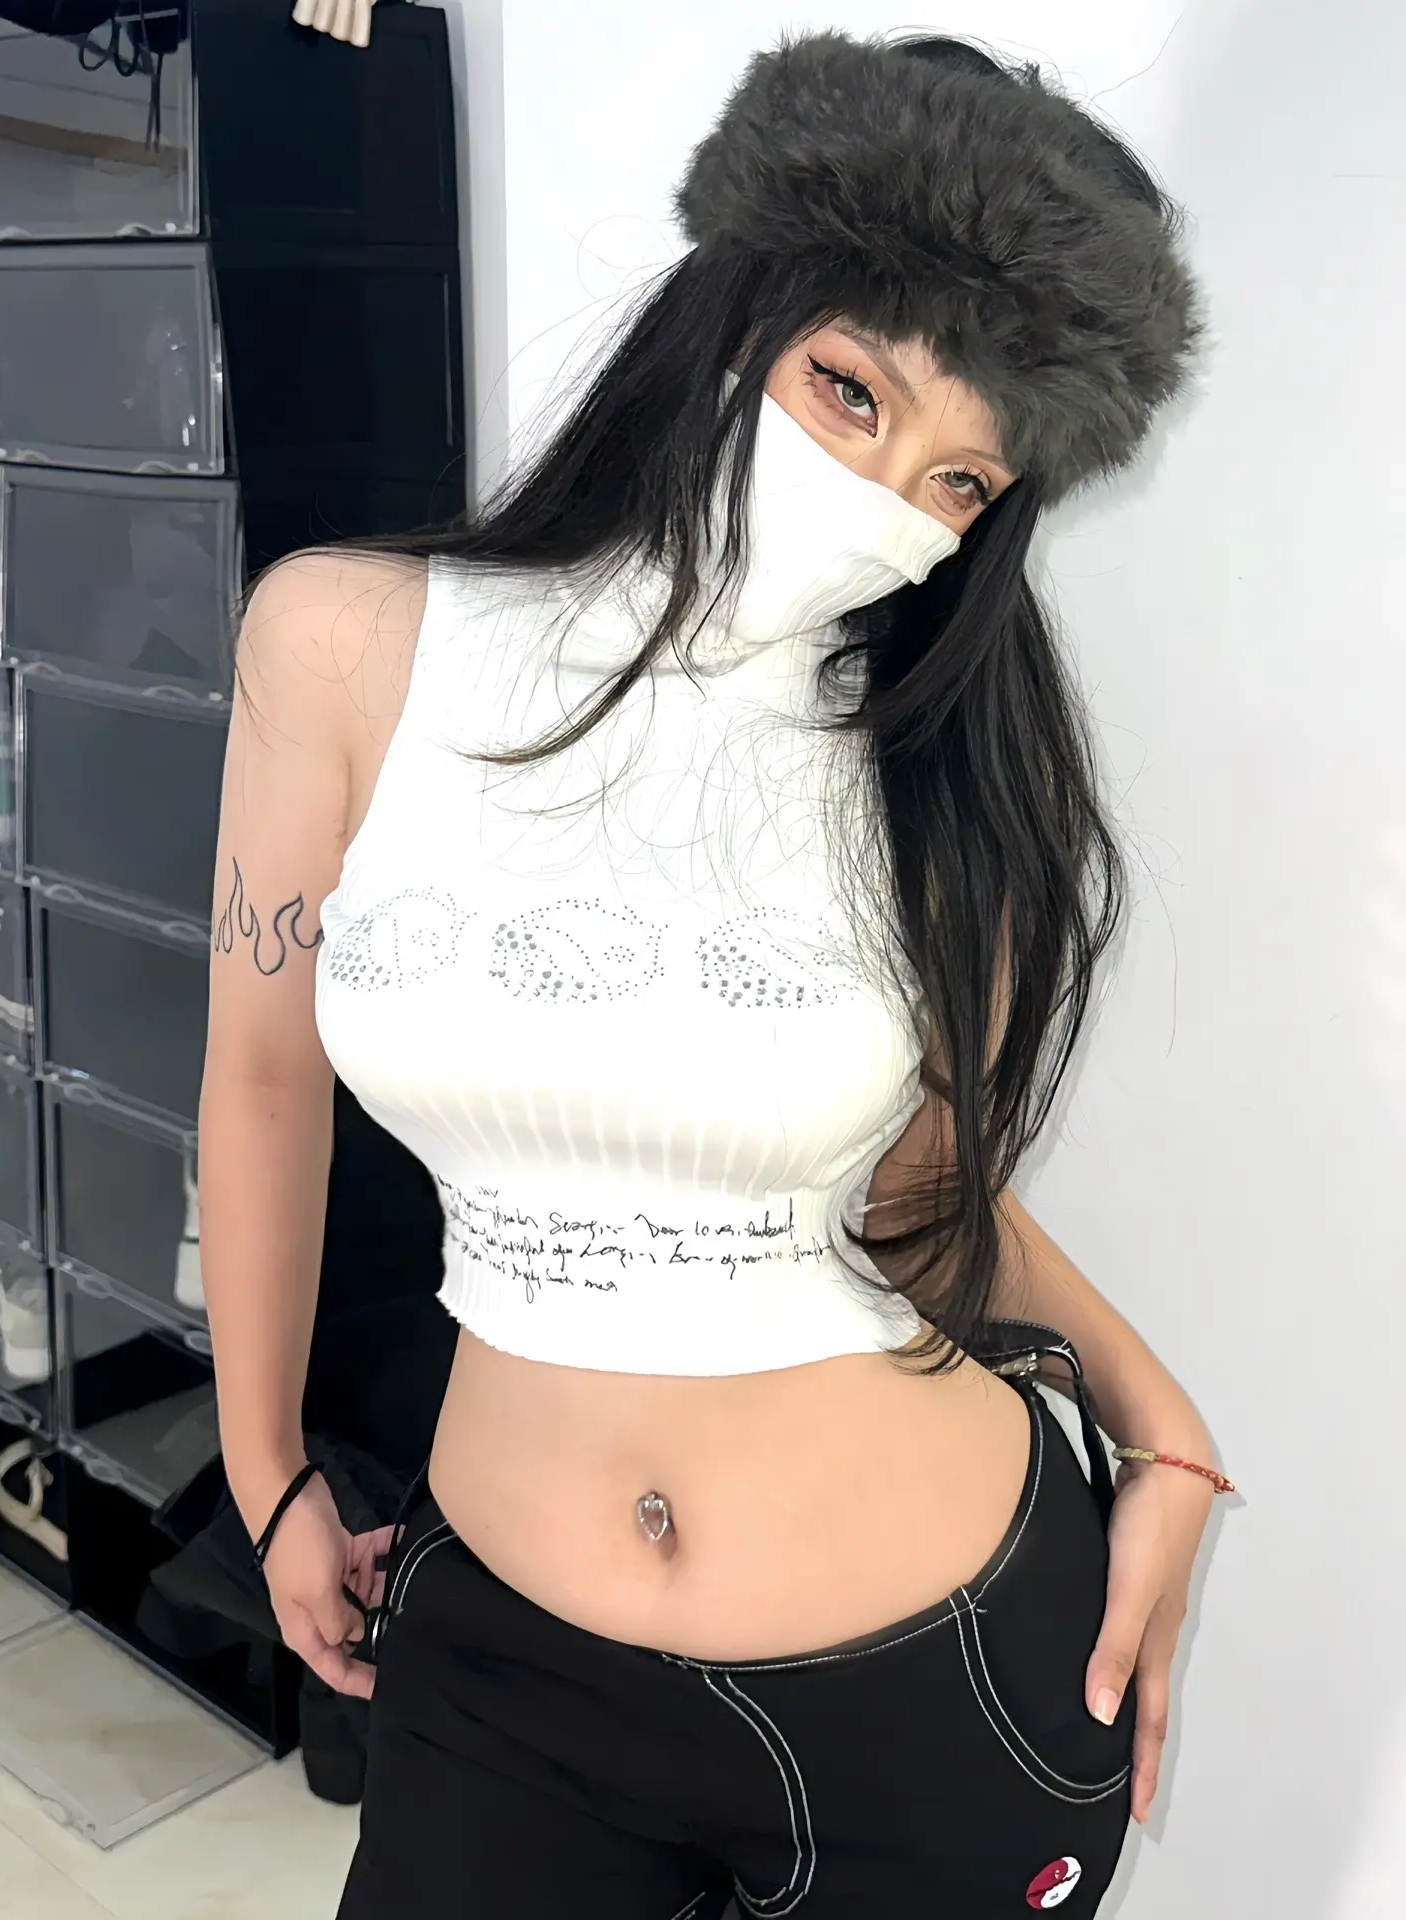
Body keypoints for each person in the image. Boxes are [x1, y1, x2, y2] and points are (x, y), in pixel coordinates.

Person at [200, 30, 1231, 1918]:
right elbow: (266, 1080)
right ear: (733, 309)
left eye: (959, 479)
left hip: (946, 1694)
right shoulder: (345, 641)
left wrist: (1157, 1414)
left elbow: (913, 1206)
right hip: (501, 1667)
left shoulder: (940, 772)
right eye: (850, 389)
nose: (883, 496)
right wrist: (262, 1468)